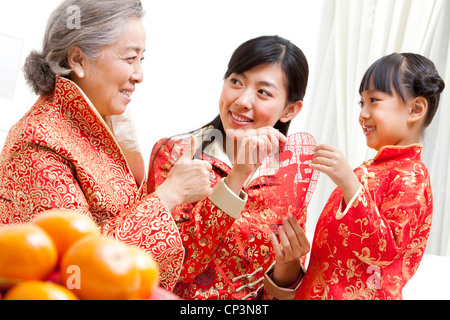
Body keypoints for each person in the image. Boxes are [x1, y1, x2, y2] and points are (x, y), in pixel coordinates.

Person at [0, 0, 213, 291]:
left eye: (142, 59)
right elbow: (76, 271)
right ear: (77, 60)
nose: (139, 75)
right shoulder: (38, 143)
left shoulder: (95, 126)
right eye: (129, 58)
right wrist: (169, 194)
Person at [263, 52, 445, 299]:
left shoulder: (412, 175)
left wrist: (348, 182)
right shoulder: (369, 171)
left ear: (415, 109)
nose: (363, 113)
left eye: (374, 100)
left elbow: (383, 251)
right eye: (361, 103)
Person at [147, 35, 314, 299]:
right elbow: (174, 265)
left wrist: (287, 267)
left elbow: (275, 293)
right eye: (236, 81)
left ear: (290, 110)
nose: (242, 100)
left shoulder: (290, 177)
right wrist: (238, 176)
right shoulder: (177, 154)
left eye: (263, 92)